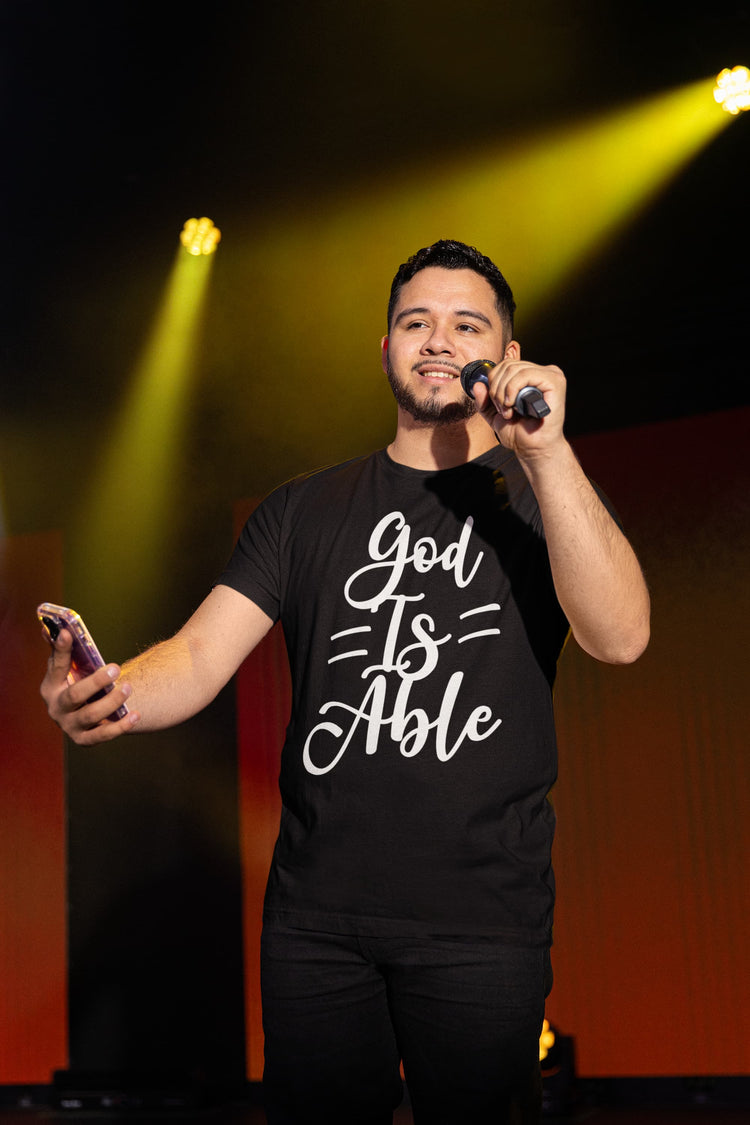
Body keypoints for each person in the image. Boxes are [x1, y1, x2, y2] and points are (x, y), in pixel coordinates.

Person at [41, 240, 650, 1124]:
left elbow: (623, 637)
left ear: (507, 355)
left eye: (466, 324)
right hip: (317, 925)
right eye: (416, 322)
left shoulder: (539, 501)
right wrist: (115, 691)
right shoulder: (304, 511)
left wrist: (547, 454)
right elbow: (202, 653)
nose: (438, 340)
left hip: (482, 922)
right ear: (386, 348)